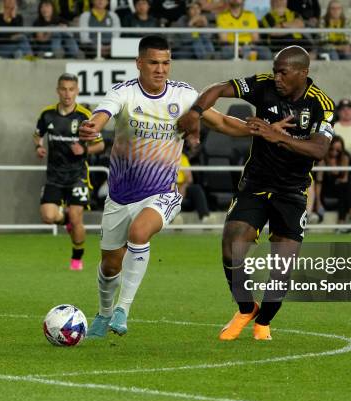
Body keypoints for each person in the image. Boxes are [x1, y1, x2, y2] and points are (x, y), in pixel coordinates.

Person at [77, 35, 253, 338]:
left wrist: (258, 130)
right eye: (154, 63)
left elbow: (221, 122)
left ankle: (123, 310)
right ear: (139, 64)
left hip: (162, 193)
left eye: (166, 62)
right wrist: (93, 125)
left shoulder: (184, 95)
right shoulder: (124, 93)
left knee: (139, 233)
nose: (161, 69)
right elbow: (103, 114)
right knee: (109, 266)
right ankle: (104, 313)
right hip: (120, 196)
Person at [178, 46, 335, 340]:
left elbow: (320, 149)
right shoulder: (263, 85)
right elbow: (219, 88)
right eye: (275, 70)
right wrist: (196, 113)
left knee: (282, 267)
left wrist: (275, 135)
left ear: (303, 73)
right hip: (255, 185)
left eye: (283, 72)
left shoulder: (321, 104)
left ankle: (263, 322)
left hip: (292, 190)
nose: (276, 77)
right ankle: (246, 307)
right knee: (231, 245)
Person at [34, 73, 105, 271]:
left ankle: (77, 258)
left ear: (77, 91)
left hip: (77, 176)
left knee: (77, 218)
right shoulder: (47, 114)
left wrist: (85, 150)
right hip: (54, 176)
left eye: (71, 89)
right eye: (63, 89)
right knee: (48, 216)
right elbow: (37, 135)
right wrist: (38, 147)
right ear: (58, 91)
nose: (67, 94)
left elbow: (100, 145)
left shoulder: (84, 116)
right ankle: (65, 220)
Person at [315, 135, 351, 227]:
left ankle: (341, 223)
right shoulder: (322, 160)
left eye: (338, 150)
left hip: (340, 191)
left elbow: (345, 179)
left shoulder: (345, 159)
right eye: (332, 149)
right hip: (327, 192)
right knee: (345, 188)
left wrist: (340, 181)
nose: (334, 152)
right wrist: (318, 202)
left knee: (344, 188)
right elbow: (318, 183)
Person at [177, 152, 212, 222]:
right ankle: (175, 218)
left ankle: (205, 218)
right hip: (167, 188)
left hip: (181, 186)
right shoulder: (159, 158)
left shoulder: (182, 157)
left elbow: (189, 178)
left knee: (196, 188)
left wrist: (183, 186)